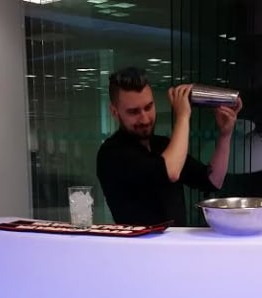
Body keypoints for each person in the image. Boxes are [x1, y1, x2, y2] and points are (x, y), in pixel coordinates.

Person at [96, 67, 242, 226]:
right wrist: (183, 115)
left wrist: (225, 135)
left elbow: (213, 181)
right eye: (133, 112)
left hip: (175, 241)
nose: (144, 119)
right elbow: (170, 172)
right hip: (138, 242)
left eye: (148, 107)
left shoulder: (162, 145)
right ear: (114, 112)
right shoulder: (112, 153)